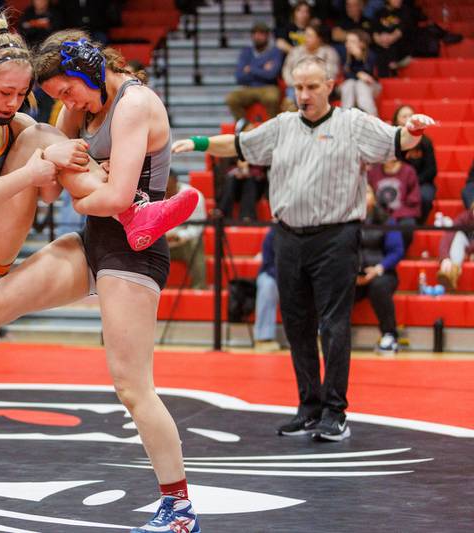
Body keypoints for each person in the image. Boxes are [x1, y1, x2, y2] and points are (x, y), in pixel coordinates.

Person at [0, 19, 197, 531]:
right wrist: (66, 170)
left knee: (132, 386)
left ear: (86, 70)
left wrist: (78, 179)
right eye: (25, 93)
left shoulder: (133, 104)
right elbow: (44, 190)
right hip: (67, 242)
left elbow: (101, 194)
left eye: (48, 91)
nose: (30, 102)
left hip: (132, 252)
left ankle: (178, 508)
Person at [172, 55, 435, 442]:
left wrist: (413, 129)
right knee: (297, 326)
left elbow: (396, 141)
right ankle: (309, 408)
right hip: (289, 237)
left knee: (333, 325)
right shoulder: (282, 126)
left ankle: (335, 412)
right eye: (298, 87)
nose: (304, 94)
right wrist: (197, 142)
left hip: (337, 236)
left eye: (312, 86)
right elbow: (241, 144)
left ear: (330, 85)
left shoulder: (353, 124)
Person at [356, 184, 404, 354]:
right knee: (333, 282)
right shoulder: (345, 221)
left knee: (379, 287)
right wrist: (352, 273)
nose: (363, 195)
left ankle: (390, 335)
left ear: (374, 197)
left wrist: (377, 269)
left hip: (382, 273)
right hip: (353, 274)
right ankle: (330, 332)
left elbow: (397, 250)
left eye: (367, 192)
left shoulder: (386, 220)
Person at [225, 22, 284, 122]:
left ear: (267, 36)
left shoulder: (275, 51)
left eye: (261, 33)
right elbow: (239, 77)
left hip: (268, 87)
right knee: (231, 98)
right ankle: (245, 126)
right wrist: (262, 68)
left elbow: (271, 75)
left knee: (272, 97)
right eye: (255, 34)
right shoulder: (246, 51)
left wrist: (251, 69)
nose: (257, 36)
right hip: (249, 88)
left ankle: (273, 128)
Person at [214, 119, 268, 220]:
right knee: (232, 178)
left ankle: (247, 216)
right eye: (248, 131)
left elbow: (262, 169)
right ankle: (221, 212)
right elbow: (224, 169)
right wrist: (238, 170)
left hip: (255, 186)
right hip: (235, 186)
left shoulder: (260, 148)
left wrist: (248, 170)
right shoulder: (231, 147)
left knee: (250, 181)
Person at [282, 21, 340, 110]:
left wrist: (310, 84)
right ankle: (293, 109)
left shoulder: (329, 52)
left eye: (310, 36)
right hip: (296, 86)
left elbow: (331, 74)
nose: (306, 38)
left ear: (319, 38)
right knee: (293, 92)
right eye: (305, 35)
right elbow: (286, 70)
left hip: (318, 87)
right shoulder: (296, 51)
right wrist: (295, 83)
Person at [394, 105, 436, 223]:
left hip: (420, 181)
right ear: (396, 120)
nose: (408, 119)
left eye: (410, 116)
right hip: (396, 180)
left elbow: (431, 170)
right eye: (404, 116)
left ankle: (418, 224)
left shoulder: (425, 142)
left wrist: (413, 182)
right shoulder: (391, 140)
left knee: (425, 196)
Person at [367, 157, 420, 250]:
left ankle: (399, 253)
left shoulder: (408, 171)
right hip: (377, 214)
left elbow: (414, 199)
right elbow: (368, 194)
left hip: (401, 215)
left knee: (408, 224)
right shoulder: (373, 172)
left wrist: (395, 216)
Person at [165, 171, 206, 289]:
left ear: (176, 182)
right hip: (160, 243)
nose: (166, 192)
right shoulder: (154, 194)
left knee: (195, 243)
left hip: (182, 242)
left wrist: (179, 236)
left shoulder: (194, 196)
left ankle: (199, 288)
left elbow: (197, 228)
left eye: (168, 189)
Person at [340, 30, 379, 116]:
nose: (348, 44)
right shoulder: (345, 55)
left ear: (362, 43)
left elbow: (370, 77)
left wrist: (359, 58)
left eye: (352, 41)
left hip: (372, 86)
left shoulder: (371, 55)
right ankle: (345, 116)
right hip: (352, 86)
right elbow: (347, 75)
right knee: (349, 84)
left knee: (361, 85)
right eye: (347, 41)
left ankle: (371, 118)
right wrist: (358, 74)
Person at [436, 202, 474, 291]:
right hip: (464, 246)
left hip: (469, 248)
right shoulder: (464, 217)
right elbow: (449, 234)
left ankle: (451, 274)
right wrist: (445, 257)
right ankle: (452, 271)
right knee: (458, 236)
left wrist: (469, 251)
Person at [254, 227, 279, 351]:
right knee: (267, 285)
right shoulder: (273, 233)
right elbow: (268, 263)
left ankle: (317, 336)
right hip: (274, 274)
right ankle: (263, 337)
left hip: (300, 275)